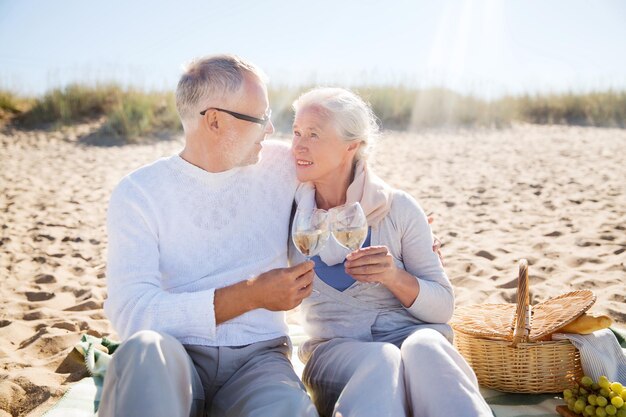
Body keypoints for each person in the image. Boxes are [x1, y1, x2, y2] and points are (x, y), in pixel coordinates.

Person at [100, 55, 318, 417]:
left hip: (261, 360)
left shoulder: (284, 165)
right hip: (174, 356)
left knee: (289, 410)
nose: (271, 129)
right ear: (215, 121)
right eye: (260, 118)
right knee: (143, 351)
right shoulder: (139, 192)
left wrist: (410, 234)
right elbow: (132, 313)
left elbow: (352, 176)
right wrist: (252, 294)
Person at [289, 87, 492, 417]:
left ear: (351, 146)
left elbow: (442, 307)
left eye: (313, 134)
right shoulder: (289, 212)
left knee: (426, 346)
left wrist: (394, 277)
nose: (298, 144)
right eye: (296, 132)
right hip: (334, 352)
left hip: (413, 337)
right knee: (382, 359)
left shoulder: (399, 208)